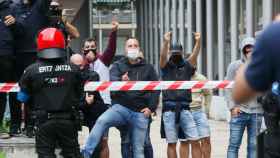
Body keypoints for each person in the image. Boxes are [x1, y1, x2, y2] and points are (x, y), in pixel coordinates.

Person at [82, 38, 160, 158]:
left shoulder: (148, 67)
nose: (132, 48)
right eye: (130, 46)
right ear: (125, 49)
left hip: (140, 112)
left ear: (139, 48)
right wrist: (121, 81)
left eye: (135, 45)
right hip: (121, 109)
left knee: (139, 149)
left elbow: (156, 87)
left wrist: (151, 108)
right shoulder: (118, 65)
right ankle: (85, 153)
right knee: (102, 121)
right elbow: (112, 82)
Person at [17, 27, 83, 158]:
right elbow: (79, 95)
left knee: (45, 155)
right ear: (63, 44)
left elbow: (22, 98)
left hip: (44, 122)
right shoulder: (74, 70)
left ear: (39, 45)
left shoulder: (30, 71)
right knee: (72, 154)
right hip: (69, 121)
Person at [233, 22, 280, 158]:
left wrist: (255, 59)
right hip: (270, 101)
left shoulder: (274, 34)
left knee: (272, 140)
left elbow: (239, 93)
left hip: (271, 101)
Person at [159, 32, 201, 158]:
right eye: (174, 52)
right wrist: (166, 42)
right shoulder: (165, 66)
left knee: (194, 140)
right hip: (169, 109)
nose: (175, 54)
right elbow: (162, 56)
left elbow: (194, 56)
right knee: (171, 143)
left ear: (182, 52)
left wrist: (198, 42)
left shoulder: (187, 65)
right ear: (171, 52)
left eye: (177, 52)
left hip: (185, 109)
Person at [81, 20, 118, 158]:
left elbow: (111, 49)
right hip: (88, 104)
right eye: (87, 47)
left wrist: (114, 32)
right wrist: (85, 63)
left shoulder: (103, 60)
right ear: (83, 49)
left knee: (103, 140)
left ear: (96, 48)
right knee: (91, 138)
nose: (89, 49)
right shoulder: (81, 65)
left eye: (92, 46)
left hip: (103, 104)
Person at [226, 37, 263, 158]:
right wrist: (232, 107)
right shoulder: (234, 66)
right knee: (234, 145)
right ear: (242, 50)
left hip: (257, 112)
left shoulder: (261, 66)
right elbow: (228, 87)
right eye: (247, 49)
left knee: (254, 147)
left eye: (252, 49)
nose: (249, 51)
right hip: (239, 111)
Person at [179, 67, 212, 158]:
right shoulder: (180, 78)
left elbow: (208, 93)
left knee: (206, 139)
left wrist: (207, 110)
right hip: (184, 111)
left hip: (198, 111)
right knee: (185, 141)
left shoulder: (201, 78)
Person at [0, 0, 18, 138]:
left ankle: (12, 126)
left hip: (9, 55)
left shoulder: (14, 7)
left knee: (11, 91)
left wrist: (16, 22)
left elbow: (22, 29)